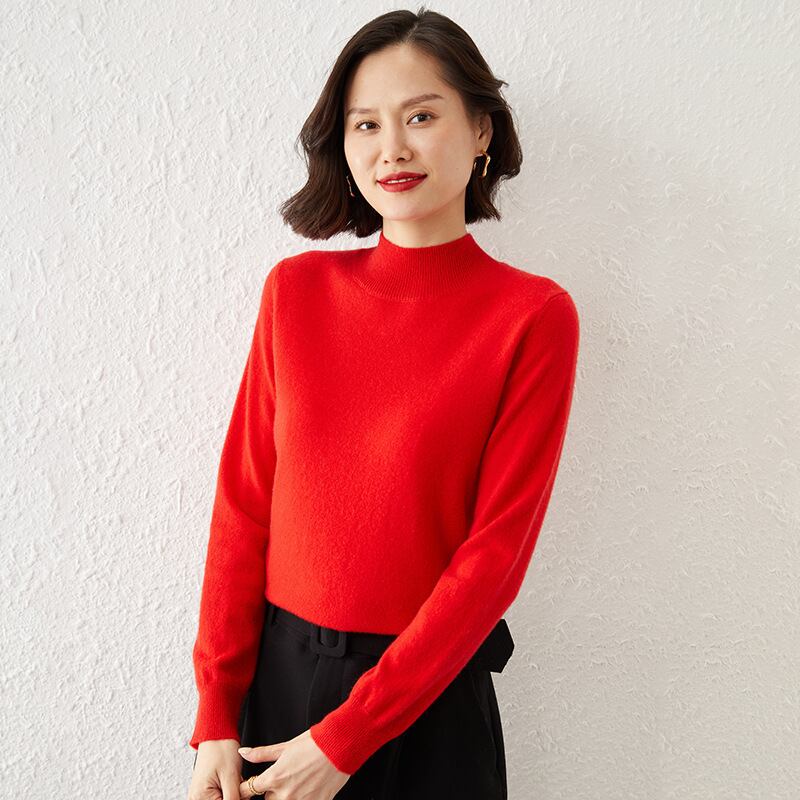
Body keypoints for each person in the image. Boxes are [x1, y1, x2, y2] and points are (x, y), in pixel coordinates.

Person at [186, 7, 580, 800]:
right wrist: (216, 714)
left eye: (421, 117)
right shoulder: (295, 294)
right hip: (277, 692)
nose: (391, 147)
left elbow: (494, 559)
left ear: (482, 131)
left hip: (427, 702)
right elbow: (243, 510)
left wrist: (349, 737)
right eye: (365, 124)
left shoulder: (532, 316)